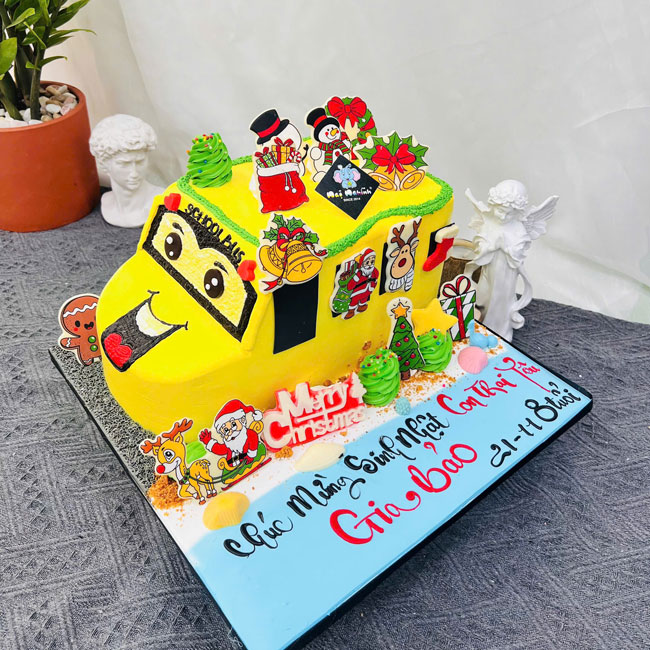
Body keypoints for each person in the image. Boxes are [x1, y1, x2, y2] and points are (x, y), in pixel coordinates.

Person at [89, 114, 163, 228]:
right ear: (103, 164)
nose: (134, 173)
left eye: (140, 162)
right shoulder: (106, 201)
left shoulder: (162, 200)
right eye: (124, 164)